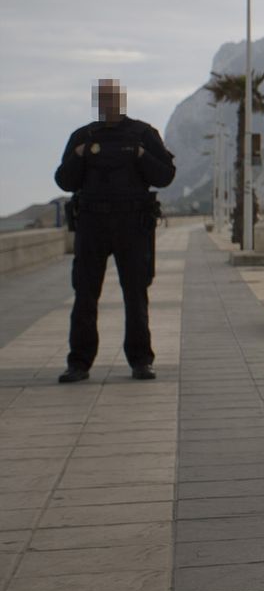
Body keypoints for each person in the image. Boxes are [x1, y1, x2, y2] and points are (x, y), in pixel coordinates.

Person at [54, 79, 175, 383]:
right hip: (92, 225)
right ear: (97, 102)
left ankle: (141, 361)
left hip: (132, 225)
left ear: (122, 100)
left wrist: (141, 156)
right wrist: (79, 154)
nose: (108, 103)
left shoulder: (143, 135)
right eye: (103, 98)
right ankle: (79, 363)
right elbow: (64, 181)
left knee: (135, 295)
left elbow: (165, 176)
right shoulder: (83, 136)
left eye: (112, 97)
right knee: (85, 294)